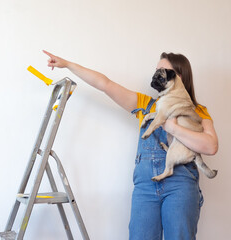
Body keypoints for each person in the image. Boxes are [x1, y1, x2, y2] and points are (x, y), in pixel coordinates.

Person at [43, 50, 218, 240]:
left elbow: (210, 146)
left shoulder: (198, 111)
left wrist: (172, 127)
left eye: (163, 70)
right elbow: (105, 84)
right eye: (156, 69)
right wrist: (68, 64)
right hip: (145, 187)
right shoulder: (146, 104)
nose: (157, 74)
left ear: (179, 76)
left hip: (180, 184)